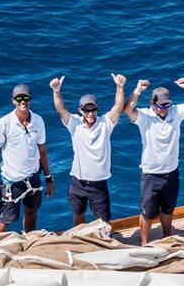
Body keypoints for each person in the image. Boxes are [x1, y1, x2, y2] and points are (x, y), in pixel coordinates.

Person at [124, 78, 184, 245]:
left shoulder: (176, 112)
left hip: (171, 172)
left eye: (167, 104)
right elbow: (128, 109)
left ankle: (168, 239)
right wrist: (138, 90)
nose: (165, 108)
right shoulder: (145, 116)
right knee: (147, 212)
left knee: (168, 209)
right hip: (151, 174)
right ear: (153, 104)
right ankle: (145, 244)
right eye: (161, 105)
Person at [49, 73, 126, 226]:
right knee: (78, 217)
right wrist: (56, 90)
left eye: (93, 109)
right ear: (80, 110)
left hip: (99, 183)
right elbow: (60, 108)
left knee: (105, 222)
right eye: (86, 110)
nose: (90, 113)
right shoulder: (74, 124)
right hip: (78, 182)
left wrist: (120, 87)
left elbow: (118, 107)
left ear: (97, 109)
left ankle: (106, 243)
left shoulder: (106, 123)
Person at [0, 84, 53, 234]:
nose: (23, 101)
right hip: (12, 182)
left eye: (26, 98)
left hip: (33, 177)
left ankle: (29, 242)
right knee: (5, 220)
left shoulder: (38, 121)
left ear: (30, 100)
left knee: (32, 212)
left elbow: (42, 151)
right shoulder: (3, 123)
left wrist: (49, 178)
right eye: (19, 98)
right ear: (13, 101)